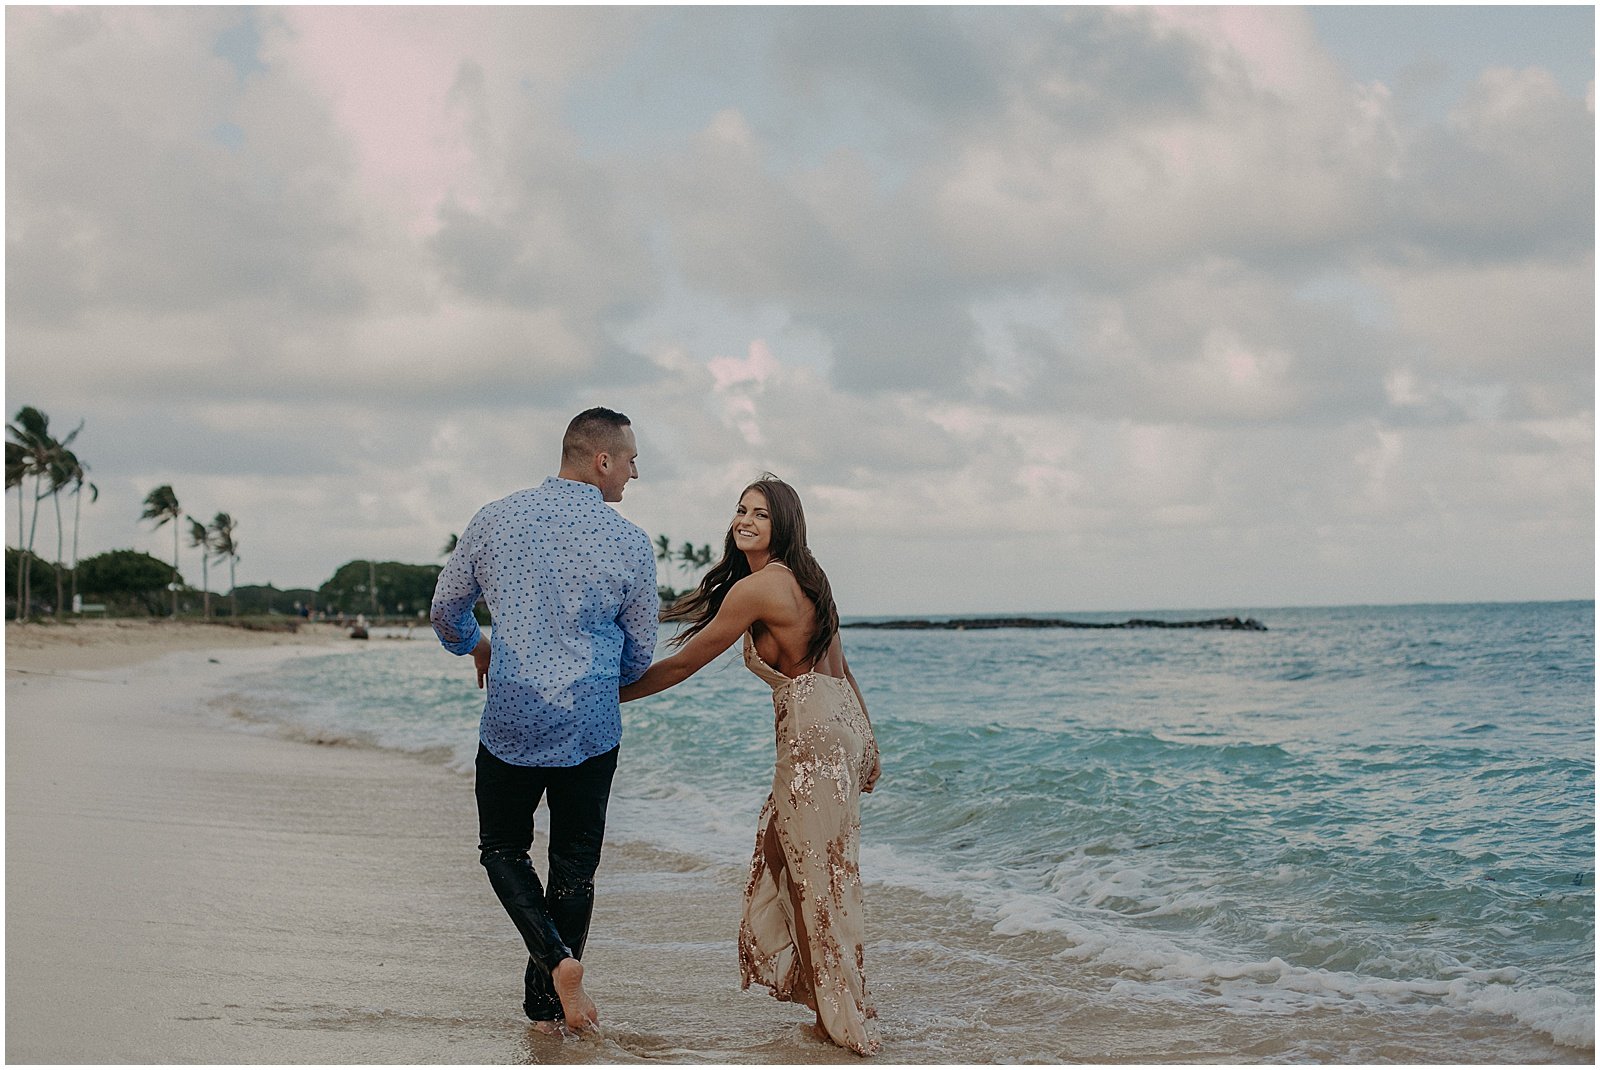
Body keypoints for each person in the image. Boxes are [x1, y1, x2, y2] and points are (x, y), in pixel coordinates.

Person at [620, 474, 881, 1056]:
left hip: (813, 733)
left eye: (760, 513)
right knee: (799, 861)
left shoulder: (760, 588)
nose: (745, 520)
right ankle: (832, 999)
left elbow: (687, 662)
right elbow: (840, 667)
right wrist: (868, 739)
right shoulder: (810, 579)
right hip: (836, 724)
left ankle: (840, 1021)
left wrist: (608, 694)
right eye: (741, 510)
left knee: (813, 874)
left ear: (781, 524)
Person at [430, 407, 658, 1034]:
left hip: (512, 718)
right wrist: (597, 682)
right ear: (601, 460)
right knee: (575, 866)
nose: (634, 473)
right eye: (631, 460)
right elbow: (640, 652)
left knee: (502, 849)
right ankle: (548, 1005)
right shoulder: (631, 543)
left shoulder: (494, 518)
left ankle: (556, 970)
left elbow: (446, 605)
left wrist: (473, 644)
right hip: (589, 724)